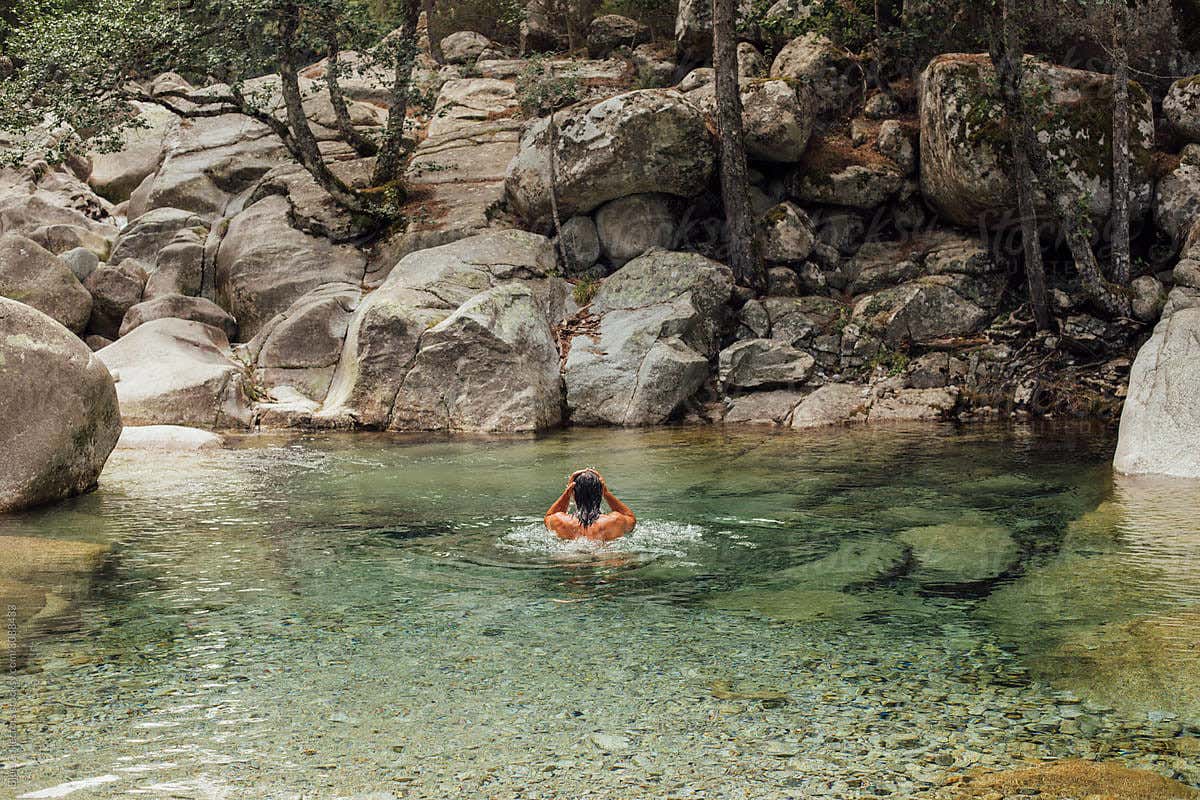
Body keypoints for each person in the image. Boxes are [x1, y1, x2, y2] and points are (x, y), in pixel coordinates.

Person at [543, 468, 636, 542]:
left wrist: (567, 493)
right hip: (606, 559)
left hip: (572, 560)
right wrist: (607, 493)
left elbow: (548, 517)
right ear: (600, 493)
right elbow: (630, 518)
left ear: (573, 494)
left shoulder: (558, 520)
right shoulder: (615, 520)